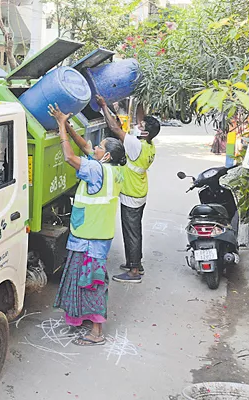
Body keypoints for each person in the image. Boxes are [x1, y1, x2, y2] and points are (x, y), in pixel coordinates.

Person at [49, 103, 126, 346]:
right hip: (95, 236)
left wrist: (61, 127)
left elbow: (70, 156)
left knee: (91, 283)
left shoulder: (95, 170)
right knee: (84, 279)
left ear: (107, 155)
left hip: (89, 239)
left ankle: (96, 333)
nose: (95, 148)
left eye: (100, 147)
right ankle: (84, 319)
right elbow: (84, 146)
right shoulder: (114, 171)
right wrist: (68, 125)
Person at [95, 95, 160, 283]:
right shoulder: (149, 144)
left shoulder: (135, 144)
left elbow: (115, 129)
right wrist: (140, 98)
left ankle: (133, 271)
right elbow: (140, 120)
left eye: (142, 126)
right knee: (135, 229)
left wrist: (104, 106)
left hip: (131, 195)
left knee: (131, 232)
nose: (139, 126)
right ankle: (135, 262)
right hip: (139, 191)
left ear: (146, 132)